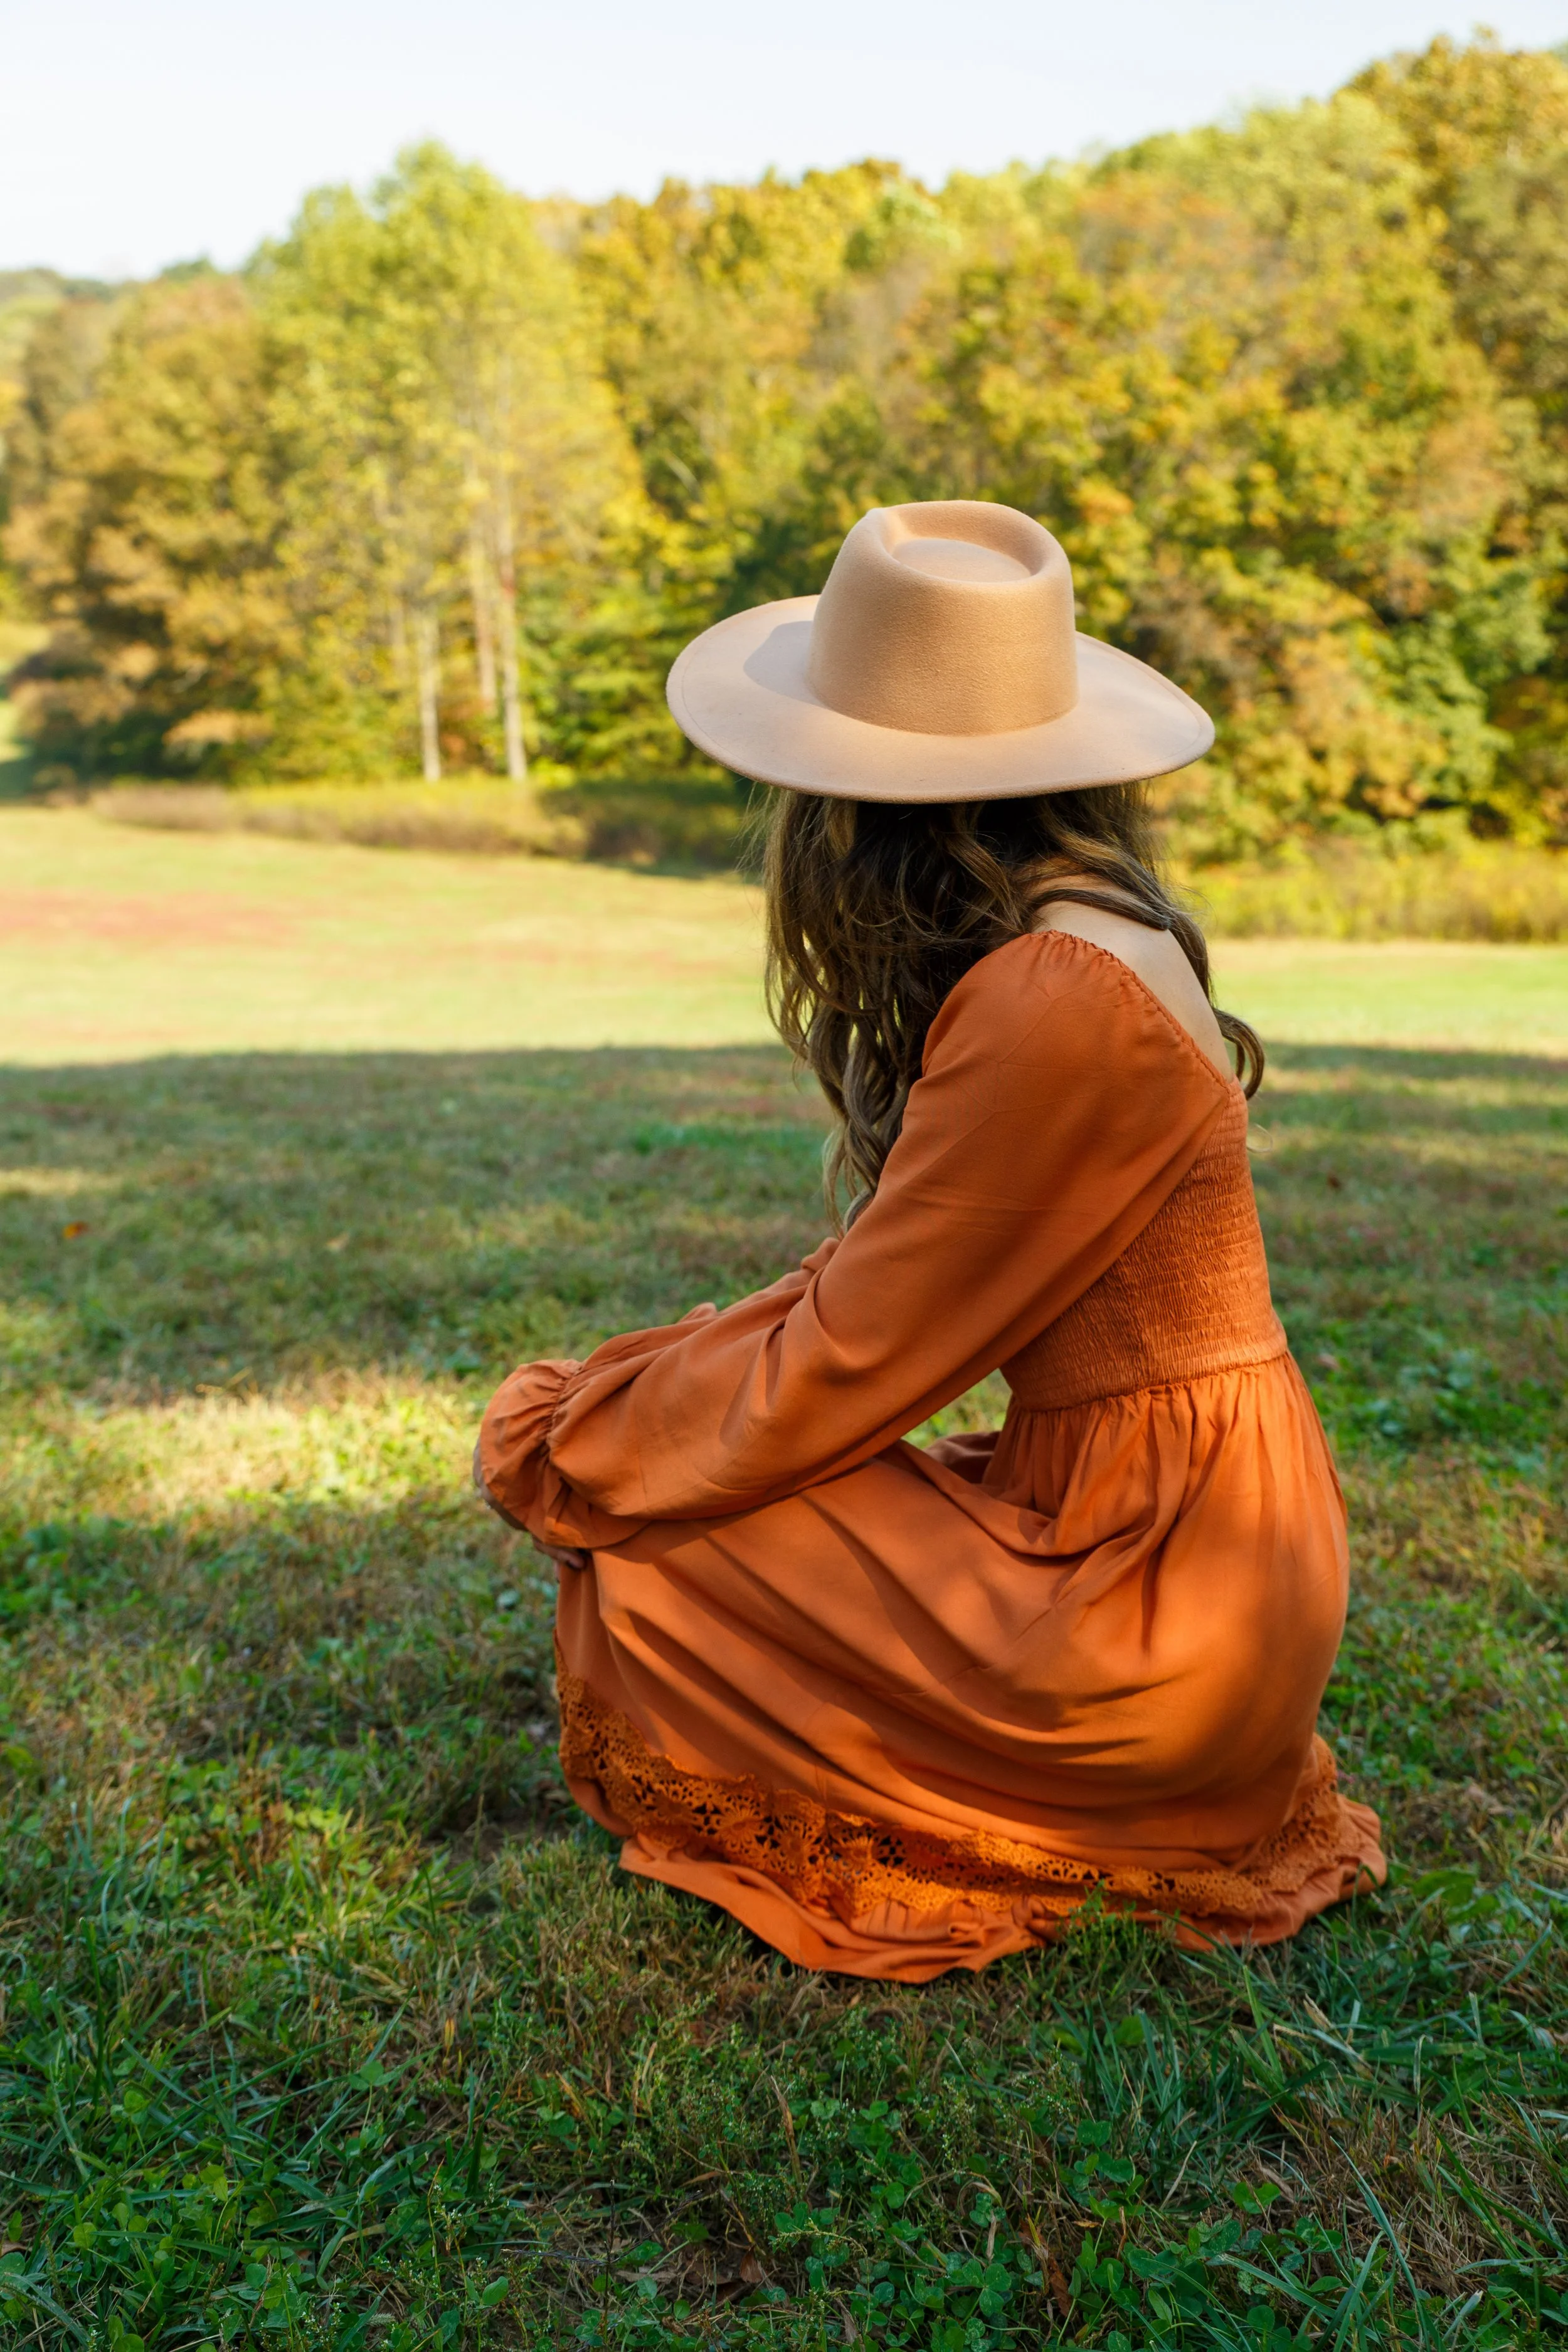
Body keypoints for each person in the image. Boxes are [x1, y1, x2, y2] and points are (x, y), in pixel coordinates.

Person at [476, 498, 1385, 1981]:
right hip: (1186, 1530)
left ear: (849, 804)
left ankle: (1035, 1792)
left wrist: (588, 1438)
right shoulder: (1090, 929)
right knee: (683, 1489)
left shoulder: (1051, 993)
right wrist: (640, 1392)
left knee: (660, 1547)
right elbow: (887, 1284)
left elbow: (858, 1351)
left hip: (1161, 1590)